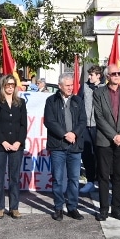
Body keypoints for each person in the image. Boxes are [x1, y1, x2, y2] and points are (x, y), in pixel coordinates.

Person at [44, 73, 87, 221]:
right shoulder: (51, 101)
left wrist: (74, 134)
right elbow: (49, 121)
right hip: (58, 146)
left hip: (75, 146)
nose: (70, 88)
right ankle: (58, 208)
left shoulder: (78, 101)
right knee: (57, 179)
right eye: (67, 85)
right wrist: (64, 134)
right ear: (60, 86)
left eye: (71, 85)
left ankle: (72, 207)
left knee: (74, 179)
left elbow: (83, 121)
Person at [93, 64, 120, 221]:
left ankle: (117, 209)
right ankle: (104, 209)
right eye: (114, 73)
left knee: (119, 176)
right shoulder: (99, 93)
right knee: (103, 176)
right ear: (107, 76)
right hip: (105, 140)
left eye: (119, 73)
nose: (117, 76)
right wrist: (113, 135)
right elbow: (99, 117)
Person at [0, 74, 27, 218]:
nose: (11, 87)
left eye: (13, 85)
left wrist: (18, 142)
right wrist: (3, 142)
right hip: (0, 145)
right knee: (0, 177)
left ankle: (14, 207)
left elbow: (24, 125)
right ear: (3, 86)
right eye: (8, 85)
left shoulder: (21, 102)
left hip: (17, 145)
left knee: (15, 177)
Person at [78, 65, 103, 195]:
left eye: (92, 75)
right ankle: (90, 181)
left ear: (98, 75)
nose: (89, 77)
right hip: (86, 126)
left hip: (99, 127)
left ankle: (102, 181)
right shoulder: (85, 87)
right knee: (87, 155)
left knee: (100, 155)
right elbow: (77, 103)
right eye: (89, 75)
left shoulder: (104, 88)